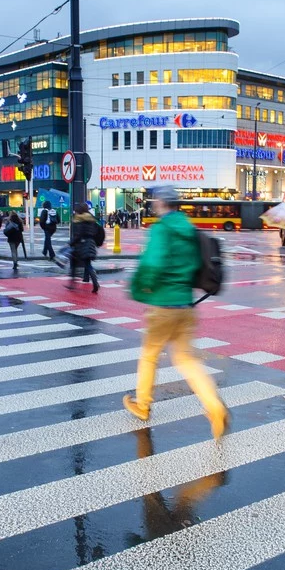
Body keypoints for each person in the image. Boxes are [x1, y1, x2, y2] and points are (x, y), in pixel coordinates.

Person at [123, 186, 230, 441]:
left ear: (160, 203)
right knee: (186, 360)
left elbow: (153, 263)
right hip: (186, 304)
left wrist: (140, 287)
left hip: (163, 304)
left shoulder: (161, 229)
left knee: (149, 355)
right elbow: (195, 265)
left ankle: (143, 404)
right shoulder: (189, 230)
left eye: (155, 202)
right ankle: (215, 407)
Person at [67, 202, 101, 293]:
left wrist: (71, 243)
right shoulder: (91, 219)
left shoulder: (79, 220)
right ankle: (95, 282)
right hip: (91, 243)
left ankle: (72, 283)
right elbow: (97, 231)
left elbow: (78, 235)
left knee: (74, 263)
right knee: (88, 264)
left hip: (81, 244)